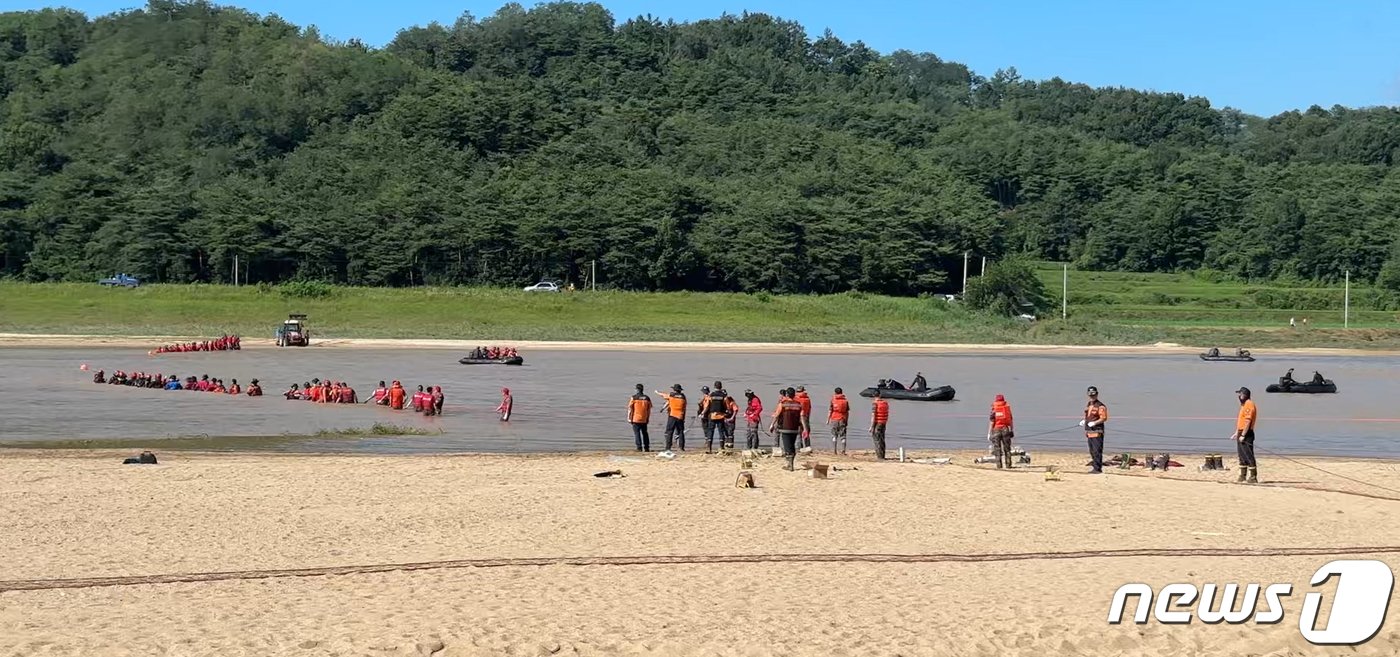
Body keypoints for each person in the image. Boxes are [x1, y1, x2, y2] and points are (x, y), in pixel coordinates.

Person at [768, 387, 807, 471]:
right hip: (795, 428)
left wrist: (772, 425)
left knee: (787, 446)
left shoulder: (783, 404)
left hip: (784, 428)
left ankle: (790, 465)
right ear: (794, 395)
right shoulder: (798, 404)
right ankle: (791, 463)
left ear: (787, 394)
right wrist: (804, 428)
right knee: (792, 445)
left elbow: (777, 415)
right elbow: (802, 417)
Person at [1231, 386, 1259, 483]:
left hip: (1247, 433)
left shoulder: (1249, 404)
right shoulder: (1243, 405)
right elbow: (1241, 421)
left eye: (1240, 394)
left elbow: (1248, 421)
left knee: (1248, 454)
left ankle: (1253, 477)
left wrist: (1243, 435)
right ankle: (1242, 475)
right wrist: (1236, 433)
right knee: (1241, 455)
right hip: (1241, 432)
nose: (1239, 396)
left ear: (1244, 395)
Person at [1081, 386, 1109, 473]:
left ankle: (1097, 469)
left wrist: (1095, 423)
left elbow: (1104, 418)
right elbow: (1088, 416)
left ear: (1097, 394)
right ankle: (1095, 466)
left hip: (1097, 431)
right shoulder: (1089, 404)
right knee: (1092, 451)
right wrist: (1084, 421)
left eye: (1093, 395)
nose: (1092, 396)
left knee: (1097, 451)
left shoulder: (1101, 406)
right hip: (1089, 431)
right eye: (1090, 395)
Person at [655, 384, 687, 452]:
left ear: (674, 390)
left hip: (672, 415)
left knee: (669, 432)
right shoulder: (683, 397)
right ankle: (681, 447)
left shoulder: (671, 395)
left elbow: (663, 395)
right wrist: (683, 418)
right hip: (680, 416)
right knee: (681, 432)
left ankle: (668, 447)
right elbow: (684, 408)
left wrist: (657, 392)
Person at [987, 394, 1015, 469]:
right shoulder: (1007, 408)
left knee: (997, 448)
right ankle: (1008, 465)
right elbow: (1011, 420)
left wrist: (989, 433)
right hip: (1005, 429)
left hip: (996, 429)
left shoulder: (994, 408)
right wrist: (1012, 430)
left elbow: (992, 421)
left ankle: (999, 465)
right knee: (1007, 448)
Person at [705, 382, 731, 453]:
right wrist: (728, 412)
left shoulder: (711, 395)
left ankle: (709, 449)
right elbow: (728, 406)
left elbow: (707, 405)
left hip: (712, 415)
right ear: (721, 387)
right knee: (721, 431)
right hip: (721, 416)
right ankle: (722, 448)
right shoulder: (724, 396)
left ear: (714, 386)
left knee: (710, 431)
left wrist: (702, 413)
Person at [628, 384, 652, 452]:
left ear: (637, 389)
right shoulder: (647, 398)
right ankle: (647, 448)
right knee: (645, 433)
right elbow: (649, 410)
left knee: (637, 433)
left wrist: (629, 418)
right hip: (644, 419)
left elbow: (630, 409)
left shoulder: (634, 397)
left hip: (635, 418)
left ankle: (639, 448)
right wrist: (648, 418)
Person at [828, 387, 850, 455]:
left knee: (834, 435)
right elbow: (847, 412)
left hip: (834, 418)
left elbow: (830, 411)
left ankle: (834, 451)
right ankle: (843, 451)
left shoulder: (833, 400)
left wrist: (828, 419)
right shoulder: (845, 401)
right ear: (842, 393)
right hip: (842, 419)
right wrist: (846, 420)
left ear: (835, 393)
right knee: (843, 435)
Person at [869, 389, 890, 460]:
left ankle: (880, 457)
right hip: (883, 422)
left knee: (877, 439)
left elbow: (873, 415)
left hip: (877, 423)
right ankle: (883, 455)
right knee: (882, 439)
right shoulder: (885, 403)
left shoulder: (875, 403)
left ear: (873, 395)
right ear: (880, 395)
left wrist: (871, 426)